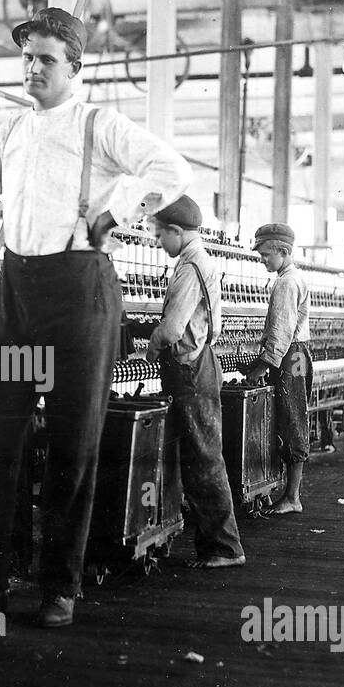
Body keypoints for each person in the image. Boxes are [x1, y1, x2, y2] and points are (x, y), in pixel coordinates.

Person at [0, 6, 193, 628]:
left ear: (74, 68)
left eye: (47, 59)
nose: (33, 68)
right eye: (28, 57)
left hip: (79, 297)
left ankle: (60, 586)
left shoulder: (98, 125)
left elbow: (171, 170)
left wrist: (118, 212)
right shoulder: (8, 134)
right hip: (19, 297)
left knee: (73, 442)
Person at [145, 195, 245, 569]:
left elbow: (171, 330)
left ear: (175, 231)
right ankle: (216, 544)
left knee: (203, 457)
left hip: (188, 370)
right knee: (201, 454)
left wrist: (150, 349)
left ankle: (224, 547)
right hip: (201, 364)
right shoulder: (204, 262)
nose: (158, 243)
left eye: (159, 237)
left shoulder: (189, 268)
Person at [244, 223, 312, 515]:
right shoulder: (292, 277)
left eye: (266, 255)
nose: (263, 260)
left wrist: (262, 366)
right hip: (295, 355)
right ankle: (287, 492)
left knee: (292, 419)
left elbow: (281, 333)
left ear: (283, 251)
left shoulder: (286, 282)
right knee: (290, 417)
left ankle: (292, 497)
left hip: (289, 356)